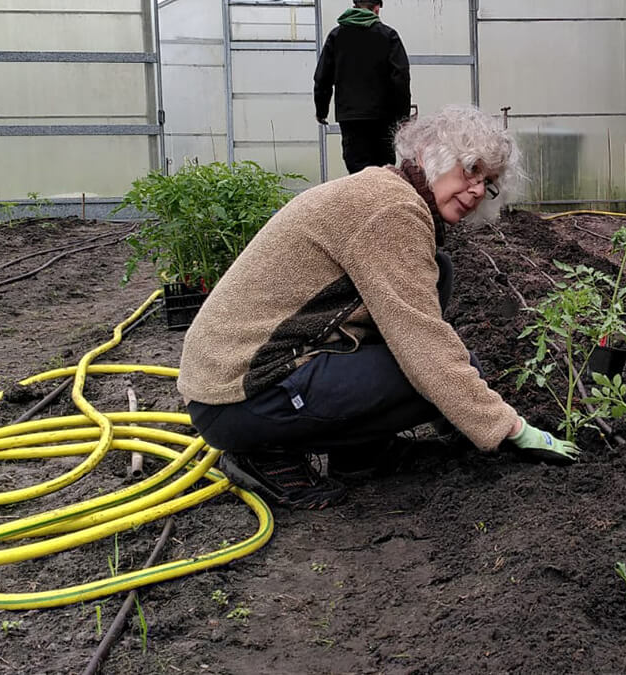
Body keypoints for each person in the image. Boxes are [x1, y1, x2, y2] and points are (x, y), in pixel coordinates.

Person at [178, 105, 578, 510]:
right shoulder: (392, 210)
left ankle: (359, 455)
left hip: (240, 382)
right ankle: (264, 453)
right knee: (430, 379)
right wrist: (507, 426)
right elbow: (423, 348)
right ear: (431, 155)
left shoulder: (388, 193)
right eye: (471, 169)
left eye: (488, 183)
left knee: (437, 277)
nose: (477, 189)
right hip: (239, 396)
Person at [314, 0, 411, 174]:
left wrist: (321, 110)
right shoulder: (388, 35)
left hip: (351, 119)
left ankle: (362, 201)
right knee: (384, 172)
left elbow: (322, 77)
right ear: (376, 8)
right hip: (383, 119)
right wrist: (402, 117)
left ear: (355, 6)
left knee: (357, 172)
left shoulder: (337, 36)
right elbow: (401, 78)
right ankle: (383, 201)